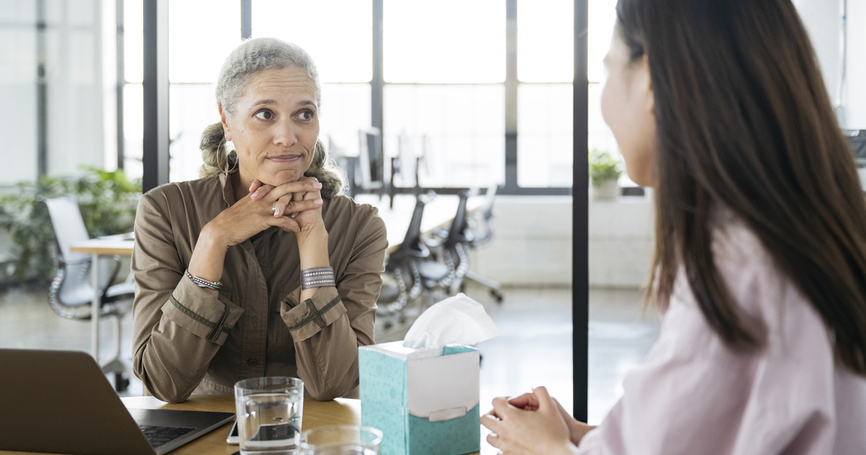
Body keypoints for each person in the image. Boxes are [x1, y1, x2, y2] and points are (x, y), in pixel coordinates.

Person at [481, 0, 866, 453]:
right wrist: (581, 437)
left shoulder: (735, 267)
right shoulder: (809, 231)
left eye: (608, 69)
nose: (603, 102)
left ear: (649, 81)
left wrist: (547, 449)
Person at [131, 37, 387, 403]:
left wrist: (313, 239)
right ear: (227, 120)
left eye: (304, 114)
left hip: (311, 433)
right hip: (206, 431)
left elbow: (335, 384)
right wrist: (213, 241)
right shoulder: (165, 212)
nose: (287, 137)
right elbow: (163, 382)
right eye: (265, 114)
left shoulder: (359, 227)